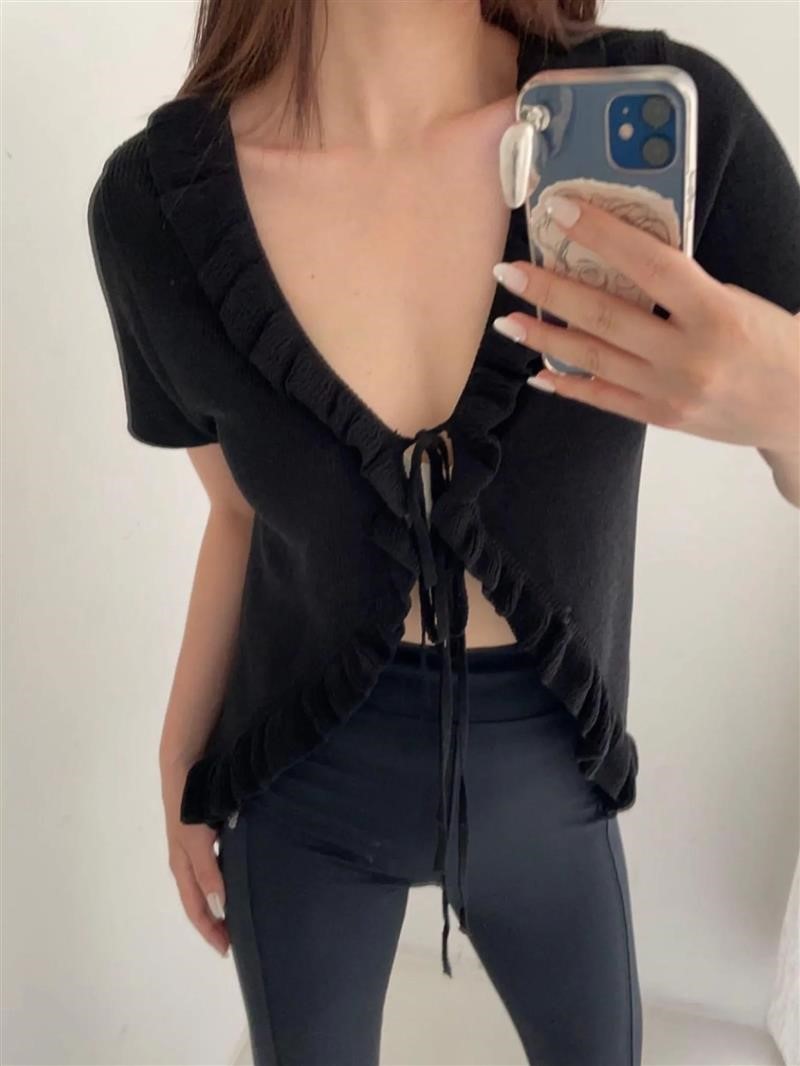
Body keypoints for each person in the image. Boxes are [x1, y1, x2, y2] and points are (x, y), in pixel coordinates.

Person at [87, 1, 800, 1063]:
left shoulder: (670, 125)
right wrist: (179, 752)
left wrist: (786, 400)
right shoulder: (157, 205)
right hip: (299, 779)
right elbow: (236, 512)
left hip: (550, 785)